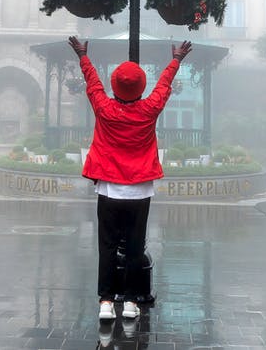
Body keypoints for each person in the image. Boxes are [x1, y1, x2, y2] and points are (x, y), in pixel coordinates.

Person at [68, 35, 192, 322]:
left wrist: (83, 56)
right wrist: (176, 59)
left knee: (107, 247)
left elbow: (93, 84)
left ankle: (106, 302)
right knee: (135, 248)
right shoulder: (149, 110)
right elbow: (163, 86)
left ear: (115, 85)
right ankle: (132, 303)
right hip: (139, 192)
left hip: (109, 189)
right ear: (140, 87)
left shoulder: (104, 109)